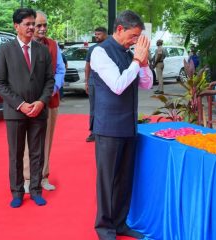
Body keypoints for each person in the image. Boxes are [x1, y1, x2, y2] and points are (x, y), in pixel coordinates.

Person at [90, 10, 152, 240]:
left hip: (128, 126)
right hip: (108, 128)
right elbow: (117, 85)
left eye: (139, 37)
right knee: (107, 182)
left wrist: (143, 64)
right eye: (134, 35)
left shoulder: (130, 53)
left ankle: (120, 223)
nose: (136, 41)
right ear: (119, 30)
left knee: (125, 180)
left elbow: (146, 84)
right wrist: (137, 60)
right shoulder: (100, 52)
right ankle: (104, 228)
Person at [0, 8, 54, 207]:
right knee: (16, 153)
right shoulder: (5, 50)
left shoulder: (42, 50)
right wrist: (21, 104)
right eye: (27, 24)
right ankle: (17, 192)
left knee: (37, 153)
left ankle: (36, 190)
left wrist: (41, 102)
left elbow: (49, 80)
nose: (32, 27)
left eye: (33, 24)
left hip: (39, 110)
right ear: (16, 26)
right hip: (15, 112)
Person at [23, 10, 66, 193]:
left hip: (49, 102)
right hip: (28, 104)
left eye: (44, 25)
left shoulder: (54, 45)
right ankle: (26, 179)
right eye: (37, 25)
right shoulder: (24, 46)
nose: (41, 29)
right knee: (27, 142)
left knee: (46, 141)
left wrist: (49, 93)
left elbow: (60, 71)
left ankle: (43, 176)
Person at [85, 27, 108, 142]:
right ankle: (93, 132)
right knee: (93, 108)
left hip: (108, 83)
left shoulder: (110, 48)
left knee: (107, 107)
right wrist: (87, 82)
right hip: (94, 83)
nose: (96, 36)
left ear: (105, 34)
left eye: (99, 34)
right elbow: (87, 66)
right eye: (96, 34)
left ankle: (105, 131)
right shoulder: (92, 49)